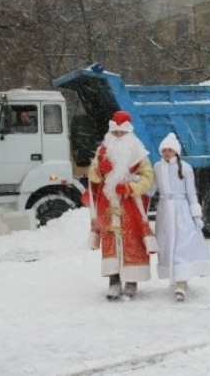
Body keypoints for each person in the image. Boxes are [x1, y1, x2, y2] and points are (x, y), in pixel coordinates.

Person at [85, 111, 158, 300]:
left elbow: (148, 177)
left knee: (132, 239)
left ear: (128, 133)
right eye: (115, 133)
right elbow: (92, 176)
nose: (118, 136)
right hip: (108, 205)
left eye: (122, 133)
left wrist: (129, 187)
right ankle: (114, 280)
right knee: (110, 241)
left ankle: (132, 281)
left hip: (129, 205)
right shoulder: (103, 151)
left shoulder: (138, 152)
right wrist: (100, 171)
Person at [153, 133, 210, 301]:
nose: (167, 153)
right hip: (165, 211)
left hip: (181, 211)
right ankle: (173, 275)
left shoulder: (185, 168)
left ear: (176, 152)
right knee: (167, 244)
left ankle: (181, 282)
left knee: (182, 244)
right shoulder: (157, 167)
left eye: (170, 150)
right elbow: (151, 189)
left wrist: (196, 215)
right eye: (164, 150)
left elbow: (191, 193)